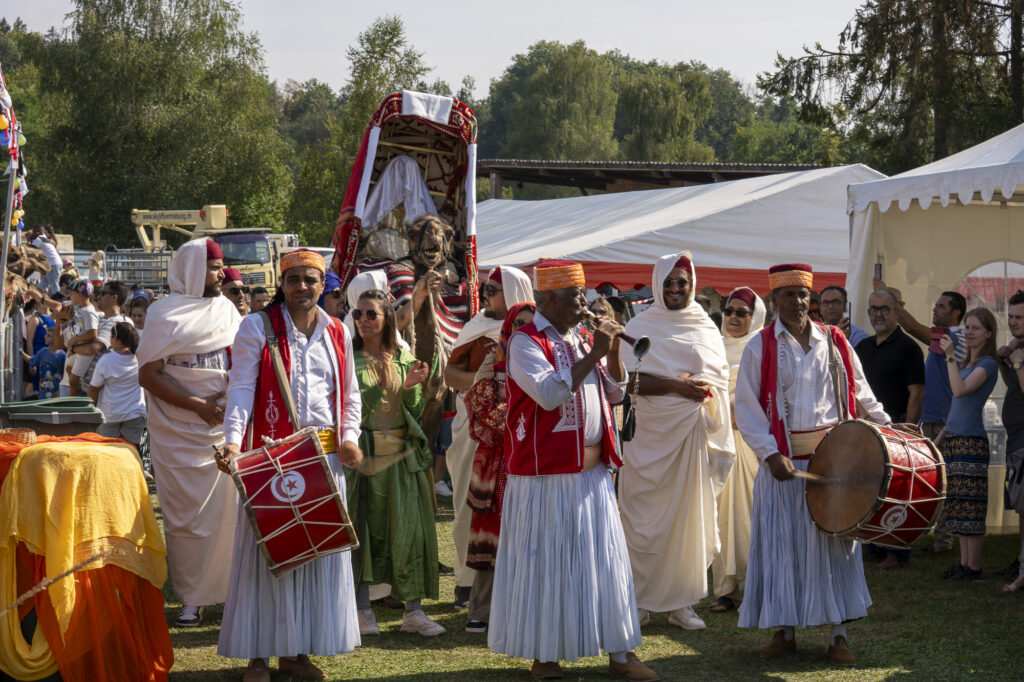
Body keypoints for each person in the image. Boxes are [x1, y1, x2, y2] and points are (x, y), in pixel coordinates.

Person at [489, 260, 658, 682]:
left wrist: (612, 350)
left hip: (593, 475)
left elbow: (615, 394)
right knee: (548, 565)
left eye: (583, 295)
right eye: (575, 297)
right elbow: (549, 394)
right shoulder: (524, 343)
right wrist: (596, 352)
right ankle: (545, 656)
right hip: (546, 478)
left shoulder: (582, 338)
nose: (584, 304)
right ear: (548, 300)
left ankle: (621, 653)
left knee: (605, 565)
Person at [218, 248, 363, 682]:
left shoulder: (338, 330)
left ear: (323, 284)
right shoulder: (256, 326)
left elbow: (350, 395)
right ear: (282, 284)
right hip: (272, 461)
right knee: (268, 555)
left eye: (310, 279)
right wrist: (232, 442)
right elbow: (240, 389)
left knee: (313, 557)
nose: (302, 287)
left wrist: (350, 439)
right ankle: (258, 655)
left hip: (325, 459)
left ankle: (295, 653)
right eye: (294, 279)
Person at [735, 263, 889, 666]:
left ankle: (839, 635)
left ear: (811, 298)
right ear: (774, 300)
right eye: (788, 295)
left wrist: (889, 428)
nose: (797, 302)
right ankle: (784, 631)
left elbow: (861, 392)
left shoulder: (835, 340)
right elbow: (747, 408)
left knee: (836, 547)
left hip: (835, 463)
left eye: (803, 294)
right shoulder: (760, 346)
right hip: (782, 463)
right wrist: (770, 454)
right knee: (782, 547)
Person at [619, 252, 734, 632]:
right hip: (647, 438)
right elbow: (624, 383)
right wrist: (675, 385)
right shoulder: (639, 326)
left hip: (691, 437)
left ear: (692, 284)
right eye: (668, 282)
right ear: (657, 283)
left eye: (682, 282)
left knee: (687, 517)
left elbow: (718, 379)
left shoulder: (705, 327)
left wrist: (697, 388)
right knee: (641, 518)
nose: (674, 288)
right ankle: (638, 600)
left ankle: (681, 603)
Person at [137, 238, 241, 628]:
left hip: (224, 431)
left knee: (229, 514)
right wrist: (199, 406)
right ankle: (192, 599)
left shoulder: (226, 310)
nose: (221, 273)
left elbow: (241, 363)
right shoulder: (163, 314)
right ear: (194, 269)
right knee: (187, 520)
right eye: (214, 267)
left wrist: (228, 402)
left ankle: (232, 594)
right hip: (178, 434)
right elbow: (148, 374)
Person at [345, 289, 446, 638]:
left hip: (402, 456)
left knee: (409, 532)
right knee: (365, 531)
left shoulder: (403, 357)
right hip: (367, 455)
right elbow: (353, 410)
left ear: (387, 317)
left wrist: (411, 388)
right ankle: (362, 611)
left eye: (370, 314)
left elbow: (414, 411)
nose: (363, 320)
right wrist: (383, 386)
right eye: (358, 314)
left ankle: (413, 612)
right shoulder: (350, 360)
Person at [443, 266, 534, 613]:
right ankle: (467, 584)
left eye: (493, 290)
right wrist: (488, 385)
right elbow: (450, 374)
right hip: (476, 429)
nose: (485, 295)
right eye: (485, 288)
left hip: (522, 429)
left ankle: (514, 583)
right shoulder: (475, 328)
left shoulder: (535, 329)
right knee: (471, 502)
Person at [878, 278, 967, 554]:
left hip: (944, 421)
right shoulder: (947, 337)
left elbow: (912, 327)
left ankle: (943, 541)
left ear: (956, 313)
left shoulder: (954, 337)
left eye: (941, 306)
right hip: (932, 420)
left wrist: (889, 297)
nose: (935, 309)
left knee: (943, 480)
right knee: (934, 479)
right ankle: (938, 538)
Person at [463, 303, 535, 635]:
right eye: (518, 323)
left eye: (530, 324)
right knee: (492, 537)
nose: (523, 330)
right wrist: (525, 410)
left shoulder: (546, 361)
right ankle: (481, 610)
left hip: (533, 462)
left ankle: (521, 611)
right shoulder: (491, 365)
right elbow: (485, 412)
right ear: (508, 327)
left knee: (528, 537)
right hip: (498, 465)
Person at [854, 289, 926, 568]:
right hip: (868, 429)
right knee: (870, 489)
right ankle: (873, 546)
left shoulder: (909, 348)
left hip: (897, 427)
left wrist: (907, 431)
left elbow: (916, 392)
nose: (879, 314)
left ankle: (896, 552)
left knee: (896, 491)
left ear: (896, 312)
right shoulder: (863, 347)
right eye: (874, 309)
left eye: (885, 309)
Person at [711, 286, 766, 614]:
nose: (733, 317)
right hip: (718, 441)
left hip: (751, 442)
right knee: (721, 515)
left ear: (754, 316)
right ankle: (726, 590)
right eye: (729, 311)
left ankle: (756, 587)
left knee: (750, 513)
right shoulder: (713, 346)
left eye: (741, 313)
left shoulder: (762, 348)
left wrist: (740, 415)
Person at [939, 307, 1000, 581]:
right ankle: (965, 565)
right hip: (956, 439)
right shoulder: (967, 364)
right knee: (959, 504)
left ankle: (974, 567)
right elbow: (956, 408)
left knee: (971, 505)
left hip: (971, 442)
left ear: (989, 333)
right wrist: (940, 437)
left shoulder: (987, 364)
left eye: (976, 328)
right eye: (967, 327)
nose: (969, 332)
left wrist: (950, 356)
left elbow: (959, 391)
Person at [997, 290, 1024, 581]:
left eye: (1019, 317)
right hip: (1016, 439)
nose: (1013, 322)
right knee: (1020, 506)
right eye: (1011, 316)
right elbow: (1013, 385)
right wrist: (1005, 364)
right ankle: (1020, 562)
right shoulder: (1019, 348)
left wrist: (1016, 362)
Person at [88, 322, 146, 451]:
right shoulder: (140, 358)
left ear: (116, 339)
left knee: (107, 454)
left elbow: (93, 389)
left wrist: (90, 411)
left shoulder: (106, 360)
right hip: (135, 414)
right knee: (131, 453)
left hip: (110, 415)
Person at [59, 278, 100, 397]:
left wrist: (74, 340)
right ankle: (75, 395)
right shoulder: (79, 307)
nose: (69, 296)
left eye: (71, 293)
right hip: (76, 348)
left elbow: (93, 333)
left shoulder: (89, 311)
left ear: (80, 295)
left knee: (73, 380)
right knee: (68, 370)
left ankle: (74, 402)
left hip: (84, 350)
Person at [25, 326, 65, 399]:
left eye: (48, 335)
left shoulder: (63, 356)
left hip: (57, 396)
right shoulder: (43, 352)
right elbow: (31, 360)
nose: (45, 337)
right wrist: (20, 352)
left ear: (56, 338)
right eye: (46, 334)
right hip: (43, 394)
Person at [29, 225, 62, 294]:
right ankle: (37, 299)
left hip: (52, 265)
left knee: (54, 286)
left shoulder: (39, 239)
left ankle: (58, 300)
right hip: (54, 264)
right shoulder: (45, 238)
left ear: (37, 233)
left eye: (33, 232)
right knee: (41, 287)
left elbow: (30, 250)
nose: (32, 234)